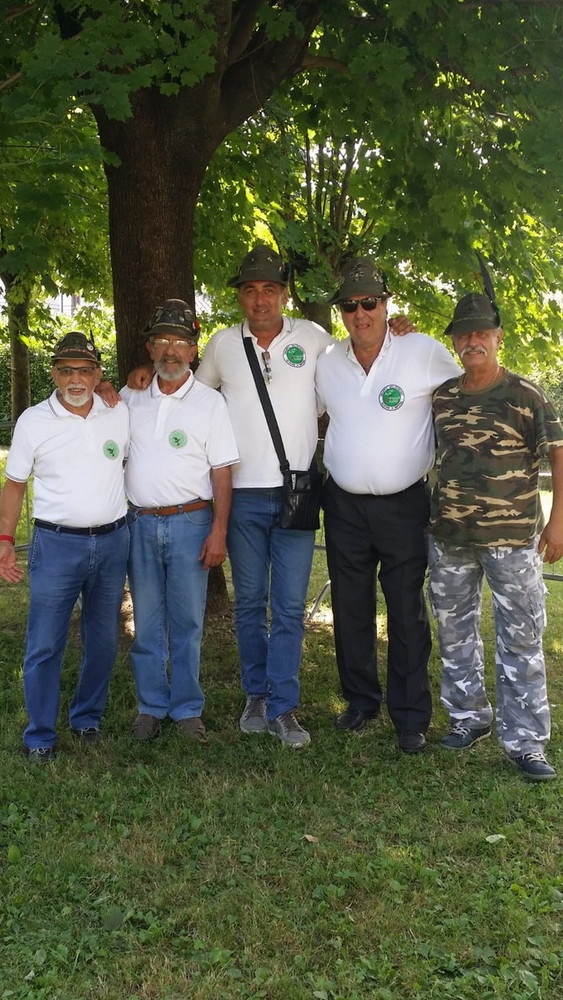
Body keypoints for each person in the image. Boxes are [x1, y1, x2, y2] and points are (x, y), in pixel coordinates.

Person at [316, 257, 461, 753]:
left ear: (386, 303)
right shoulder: (327, 361)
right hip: (343, 505)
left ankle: (410, 716)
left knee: (405, 610)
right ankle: (360, 701)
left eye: (370, 303)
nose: (362, 313)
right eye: (351, 306)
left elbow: (467, 396)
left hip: (404, 506)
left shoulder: (423, 351)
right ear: (342, 312)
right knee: (350, 607)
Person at [427, 291, 562, 781]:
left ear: (498, 337)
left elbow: (557, 455)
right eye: (464, 334)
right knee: (455, 632)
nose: (472, 341)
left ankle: (526, 741)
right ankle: (468, 718)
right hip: (450, 538)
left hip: (512, 539)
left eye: (481, 332)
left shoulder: (526, 395)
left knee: (522, 637)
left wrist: (559, 520)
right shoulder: (442, 396)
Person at [0, 332, 129, 761]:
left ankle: (87, 717)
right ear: (53, 373)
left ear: (98, 375)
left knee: (105, 639)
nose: (76, 379)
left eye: (86, 370)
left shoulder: (118, 412)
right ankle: (39, 735)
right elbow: (15, 485)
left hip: (113, 541)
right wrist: (4, 539)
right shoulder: (33, 421)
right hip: (55, 545)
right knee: (44, 644)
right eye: (66, 370)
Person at [121, 300, 239, 742]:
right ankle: (150, 706)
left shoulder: (211, 403)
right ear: (150, 348)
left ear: (194, 351)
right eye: (163, 342)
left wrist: (219, 530)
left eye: (181, 343)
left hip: (192, 521)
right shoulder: (129, 397)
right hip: (140, 524)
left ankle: (188, 708)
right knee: (147, 621)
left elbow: (222, 471)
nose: (171, 351)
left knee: (188, 621)